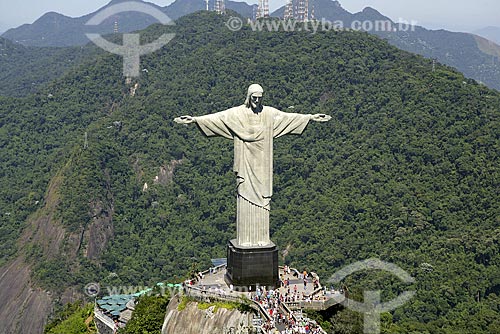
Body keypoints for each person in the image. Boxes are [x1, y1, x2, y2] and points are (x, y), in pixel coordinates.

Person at [174, 84, 331, 247]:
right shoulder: (237, 113)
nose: (257, 101)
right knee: (245, 196)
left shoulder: (269, 114)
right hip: (245, 163)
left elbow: (288, 117)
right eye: (254, 98)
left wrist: (310, 117)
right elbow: (218, 118)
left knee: (263, 198)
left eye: (259, 98)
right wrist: (195, 120)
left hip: (262, 164)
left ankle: (262, 239)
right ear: (248, 97)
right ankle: (246, 240)